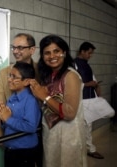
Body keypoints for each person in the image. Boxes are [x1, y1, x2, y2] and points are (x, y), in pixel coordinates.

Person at [30, 35, 87, 167]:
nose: (52, 56)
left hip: (69, 134)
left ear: (64, 53)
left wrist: (45, 96)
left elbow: (69, 113)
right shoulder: (47, 75)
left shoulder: (71, 75)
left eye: (56, 51)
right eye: (47, 53)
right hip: (51, 134)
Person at [0, 33, 43, 166]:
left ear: (32, 50)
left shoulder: (42, 70)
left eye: (20, 48)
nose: (15, 51)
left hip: (38, 134)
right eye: (13, 47)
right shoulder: (5, 73)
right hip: (12, 137)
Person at [74, 42, 115, 159]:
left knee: (92, 123)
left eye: (91, 53)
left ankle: (88, 148)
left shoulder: (87, 65)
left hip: (91, 98)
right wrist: (87, 84)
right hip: (81, 100)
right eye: (89, 53)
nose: (90, 55)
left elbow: (93, 80)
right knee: (84, 126)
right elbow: (71, 84)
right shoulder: (74, 64)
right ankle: (89, 149)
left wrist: (97, 88)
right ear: (82, 51)